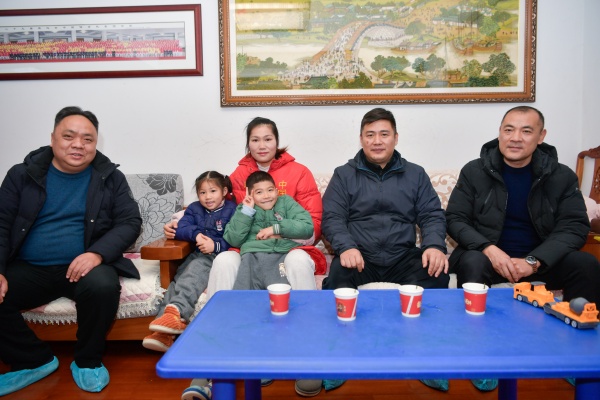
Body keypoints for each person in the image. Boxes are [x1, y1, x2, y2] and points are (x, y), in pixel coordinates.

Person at [444, 105, 600, 392]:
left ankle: (578, 357)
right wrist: (489, 248)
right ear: (500, 133)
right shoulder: (475, 171)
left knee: (586, 264)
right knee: (472, 262)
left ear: (541, 136)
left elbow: (574, 226)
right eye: (509, 129)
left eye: (526, 131)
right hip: (489, 258)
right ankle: (479, 355)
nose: (515, 138)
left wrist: (534, 260)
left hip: (540, 261)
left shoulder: (561, 176)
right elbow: (455, 219)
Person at [0, 106, 142, 395]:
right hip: (28, 267)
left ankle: (88, 361)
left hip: (84, 267)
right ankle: (33, 360)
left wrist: (97, 254)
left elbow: (130, 221)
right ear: (53, 138)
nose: (78, 144)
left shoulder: (110, 177)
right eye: (69, 136)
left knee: (103, 285)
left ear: (96, 143)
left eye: (88, 139)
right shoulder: (21, 175)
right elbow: (2, 223)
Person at [322, 107, 449, 291]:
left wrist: (434, 246)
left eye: (384, 134)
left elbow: (432, 215)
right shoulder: (344, 175)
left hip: (403, 257)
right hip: (359, 256)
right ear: (361, 139)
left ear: (395, 138)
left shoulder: (416, 174)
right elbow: (332, 217)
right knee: (337, 279)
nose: (377, 141)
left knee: (437, 274)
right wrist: (346, 247)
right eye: (370, 135)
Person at [142, 171, 236, 353]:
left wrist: (215, 245)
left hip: (216, 257)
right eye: (202, 192)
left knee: (192, 275)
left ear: (224, 191)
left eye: (213, 191)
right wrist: (197, 235)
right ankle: (163, 332)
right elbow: (181, 228)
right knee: (177, 281)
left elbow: (236, 237)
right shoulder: (194, 209)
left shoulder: (232, 210)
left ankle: (177, 311)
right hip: (196, 254)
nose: (208, 197)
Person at [227, 171, 314, 290]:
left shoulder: (286, 202)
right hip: (252, 256)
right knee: (247, 297)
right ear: (250, 194)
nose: (266, 196)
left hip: (283, 253)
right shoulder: (244, 209)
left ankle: (304, 302)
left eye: (270, 190)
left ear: (277, 191)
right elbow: (234, 240)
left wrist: (275, 229)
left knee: (282, 295)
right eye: (259, 192)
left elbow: (307, 227)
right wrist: (247, 211)